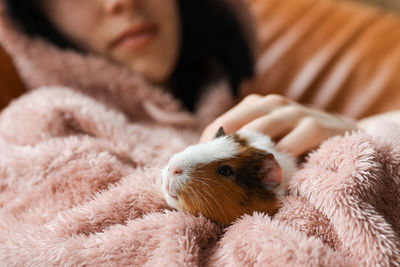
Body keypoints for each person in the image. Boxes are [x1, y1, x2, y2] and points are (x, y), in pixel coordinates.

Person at [2, 0, 400, 157]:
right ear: (35, 17)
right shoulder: (31, 139)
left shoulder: (264, 111)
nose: (120, 2)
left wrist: (362, 145)